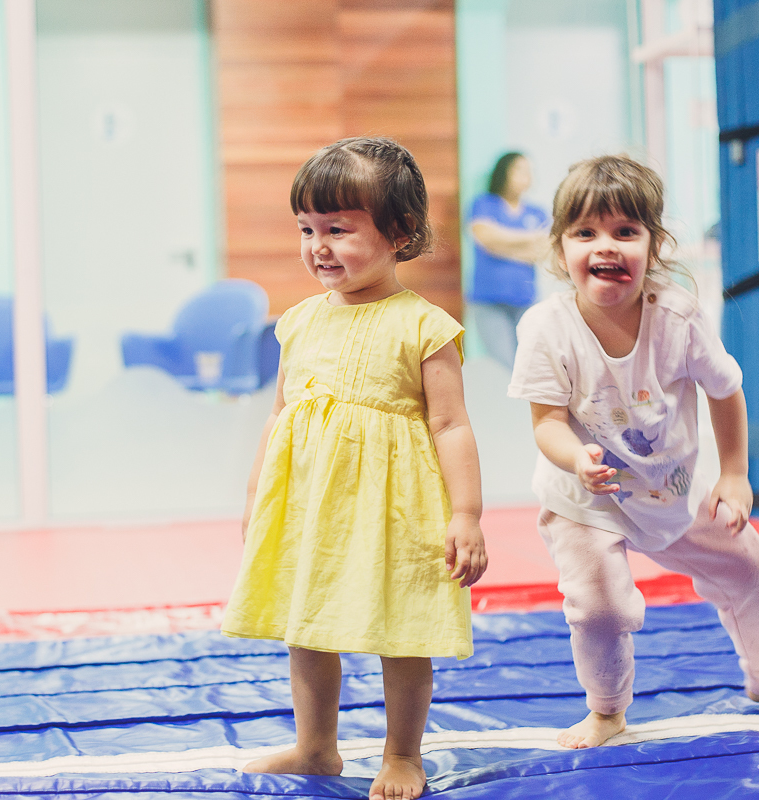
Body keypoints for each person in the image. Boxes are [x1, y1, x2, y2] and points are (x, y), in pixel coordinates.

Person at [507, 154, 759, 749]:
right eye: (586, 233)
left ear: (654, 245)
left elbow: (726, 388)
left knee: (749, 569)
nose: (604, 245)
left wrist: (735, 474)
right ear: (561, 252)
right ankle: (607, 708)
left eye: (624, 232)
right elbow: (547, 424)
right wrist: (577, 459)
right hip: (588, 496)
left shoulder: (677, 316)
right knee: (600, 608)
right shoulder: (546, 327)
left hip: (672, 487)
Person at [222, 136, 488, 800]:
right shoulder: (298, 323)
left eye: (338, 229)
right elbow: (280, 413)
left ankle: (403, 753)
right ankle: (317, 747)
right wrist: (257, 494)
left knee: (402, 630)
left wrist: (467, 514)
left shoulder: (425, 327)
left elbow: (451, 425)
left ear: (399, 233)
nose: (318, 245)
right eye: (308, 228)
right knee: (306, 622)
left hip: (396, 508)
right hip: (312, 505)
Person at [467, 152, 551, 369]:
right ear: (503, 172)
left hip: (525, 300)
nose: (527, 176)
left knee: (528, 364)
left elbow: (542, 250)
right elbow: (485, 237)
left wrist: (500, 246)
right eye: (520, 169)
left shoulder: (537, 212)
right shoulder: (484, 203)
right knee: (503, 364)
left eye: (529, 171)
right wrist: (529, 238)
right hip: (488, 301)